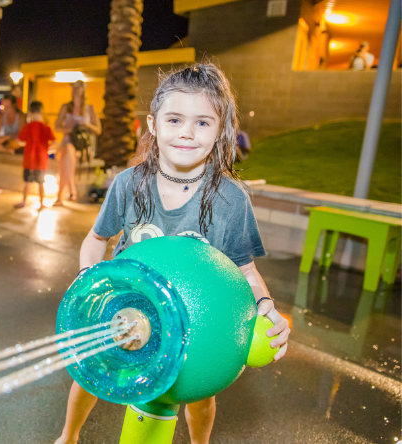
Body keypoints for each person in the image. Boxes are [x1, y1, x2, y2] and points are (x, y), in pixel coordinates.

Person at [53, 63, 291, 444]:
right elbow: (96, 240)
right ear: (153, 123)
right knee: (94, 372)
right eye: (175, 118)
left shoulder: (230, 200)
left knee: (200, 394)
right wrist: (90, 287)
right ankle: (69, 436)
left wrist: (266, 306)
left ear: (221, 130)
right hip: (131, 309)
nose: (186, 132)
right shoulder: (128, 185)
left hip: (196, 324)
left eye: (202, 123)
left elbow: (245, 270)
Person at [54, 80, 101, 206]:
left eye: (77, 87)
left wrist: (86, 125)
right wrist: (70, 129)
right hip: (67, 142)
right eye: (73, 87)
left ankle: (60, 197)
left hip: (82, 146)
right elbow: (57, 127)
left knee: (66, 160)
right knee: (68, 150)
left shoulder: (89, 108)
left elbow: (98, 130)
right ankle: (71, 189)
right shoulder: (66, 107)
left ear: (83, 89)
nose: (74, 90)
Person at [14, 101, 56, 209]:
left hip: (29, 159)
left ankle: (24, 201)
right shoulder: (45, 127)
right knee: (41, 182)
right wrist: (48, 149)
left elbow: (19, 140)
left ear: (30, 113)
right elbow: (55, 141)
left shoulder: (28, 126)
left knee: (27, 181)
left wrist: (26, 144)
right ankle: (41, 203)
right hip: (42, 160)